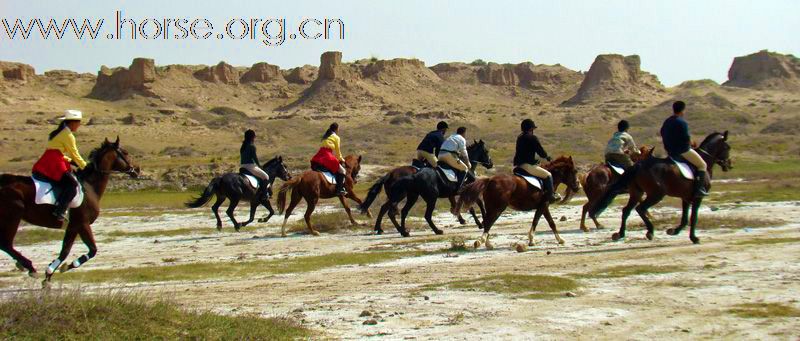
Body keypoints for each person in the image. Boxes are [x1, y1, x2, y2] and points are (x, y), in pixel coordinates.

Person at [32, 109, 87, 222]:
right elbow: (74, 153)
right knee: (72, 185)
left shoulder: (57, 132)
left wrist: (71, 161)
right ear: (72, 122)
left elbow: (56, 152)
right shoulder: (67, 135)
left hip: (48, 160)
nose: (79, 125)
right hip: (55, 163)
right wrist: (85, 166)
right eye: (79, 122)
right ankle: (60, 211)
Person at [660, 100, 708, 197]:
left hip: (670, 151)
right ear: (683, 110)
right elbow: (686, 137)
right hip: (682, 150)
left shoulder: (667, 121)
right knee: (702, 165)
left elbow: (662, 133)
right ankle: (699, 189)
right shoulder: (682, 122)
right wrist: (692, 143)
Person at [513, 119, 560, 203]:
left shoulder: (520, 137)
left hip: (519, 165)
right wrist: (547, 157)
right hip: (527, 165)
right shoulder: (532, 137)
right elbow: (540, 151)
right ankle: (551, 195)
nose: (533, 131)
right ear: (530, 129)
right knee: (548, 175)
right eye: (532, 129)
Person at [311, 123, 347, 195]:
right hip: (327, 156)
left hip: (319, 155)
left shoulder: (326, 136)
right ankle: (339, 190)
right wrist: (342, 159)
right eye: (338, 129)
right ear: (337, 129)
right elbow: (338, 151)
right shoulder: (336, 137)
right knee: (343, 171)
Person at [240, 129, 270, 201]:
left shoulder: (243, 146)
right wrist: (259, 166)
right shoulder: (251, 146)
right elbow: (255, 158)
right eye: (254, 136)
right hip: (250, 166)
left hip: (243, 166)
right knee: (266, 176)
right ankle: (264, 195)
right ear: (252, 137)